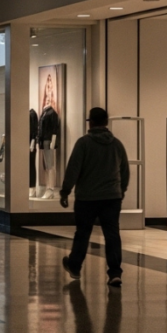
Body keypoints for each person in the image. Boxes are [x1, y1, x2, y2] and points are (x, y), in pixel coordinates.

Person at [60, 107, 131, 288]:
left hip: (87, 198)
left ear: (90, 123)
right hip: (111, 198)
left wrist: (65, 191)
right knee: (112, 234)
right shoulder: (117, 144)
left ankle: (75, 265)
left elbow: (73, 169)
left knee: (83, 233)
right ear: (106, 122)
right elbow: (125, 171)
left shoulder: (83, 143)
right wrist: (120, 191)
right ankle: (115, 273)